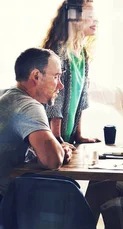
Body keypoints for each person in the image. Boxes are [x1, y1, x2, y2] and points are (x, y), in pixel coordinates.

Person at [0, 47, 71, 201]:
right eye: (56, 77)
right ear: (36, 76)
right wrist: (60, 150)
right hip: (4, 203)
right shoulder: (28, 106)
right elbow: (52, 160)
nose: (60, 85)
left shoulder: (5, 95)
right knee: (67, 190)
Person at [42, 0, 99, 146]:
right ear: (74, 18)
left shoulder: (82, 54)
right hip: (49, 140)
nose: (96, 20)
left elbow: (81, 96)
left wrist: (78, 136)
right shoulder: (58, 52)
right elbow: (54, 98)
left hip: (67, 139)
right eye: (90, 15)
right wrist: (57, 139)